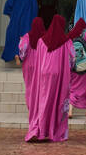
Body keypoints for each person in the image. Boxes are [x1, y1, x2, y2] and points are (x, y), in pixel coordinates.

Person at [24, 14, 73, 143]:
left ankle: (39, 129)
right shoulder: (66, 41)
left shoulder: (41, 41)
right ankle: (54, 131)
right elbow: (72, 58)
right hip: (59, 76)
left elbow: (38, 60)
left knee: (43, 100)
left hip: (43, 74)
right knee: (57, 102)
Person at [1, 0, 38, 65]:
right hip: (26, 23)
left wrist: (12, 16)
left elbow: (7, 7)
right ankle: (22, 56)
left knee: (13, 37)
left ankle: (15, 54)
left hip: (15, 22)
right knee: (25, 39)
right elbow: (35, 10)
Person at [18, 17, 45, 109]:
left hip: (28, 64)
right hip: (41, 64)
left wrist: (21, 58)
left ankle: (31, 107)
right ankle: (39, 107)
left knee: (29, 86)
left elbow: (23, 49)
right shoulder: (45, 37)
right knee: (40, 86)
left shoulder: (27, 36)